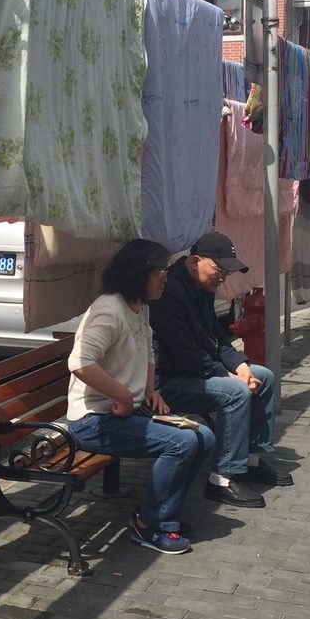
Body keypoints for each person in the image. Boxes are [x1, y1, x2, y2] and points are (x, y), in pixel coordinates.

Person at [66, 238, 217, 556]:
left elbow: (147, 350)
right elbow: (79, 362)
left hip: (127, 412)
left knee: (203, 436)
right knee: (181, 443)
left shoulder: (141, 307)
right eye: (160, 272)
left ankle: (161, 512)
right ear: (138, 273)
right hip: (93, 420)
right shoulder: (109, 310)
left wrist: (150, 390)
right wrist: (122, 394)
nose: (165, 279)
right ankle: (151, 524)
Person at [149, 231, 288, 509]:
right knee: (235, 391)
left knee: (264, 376)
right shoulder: (170, 291)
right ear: (196, 261)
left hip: (195, 372)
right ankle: (222, 477)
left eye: (227, 272)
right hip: (168, 381)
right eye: (219, 270)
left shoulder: (202, 287)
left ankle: (250, 460)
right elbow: (186, 353)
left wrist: (240, 364)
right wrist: (228, 375)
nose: (223, 277)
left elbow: (216, 337)